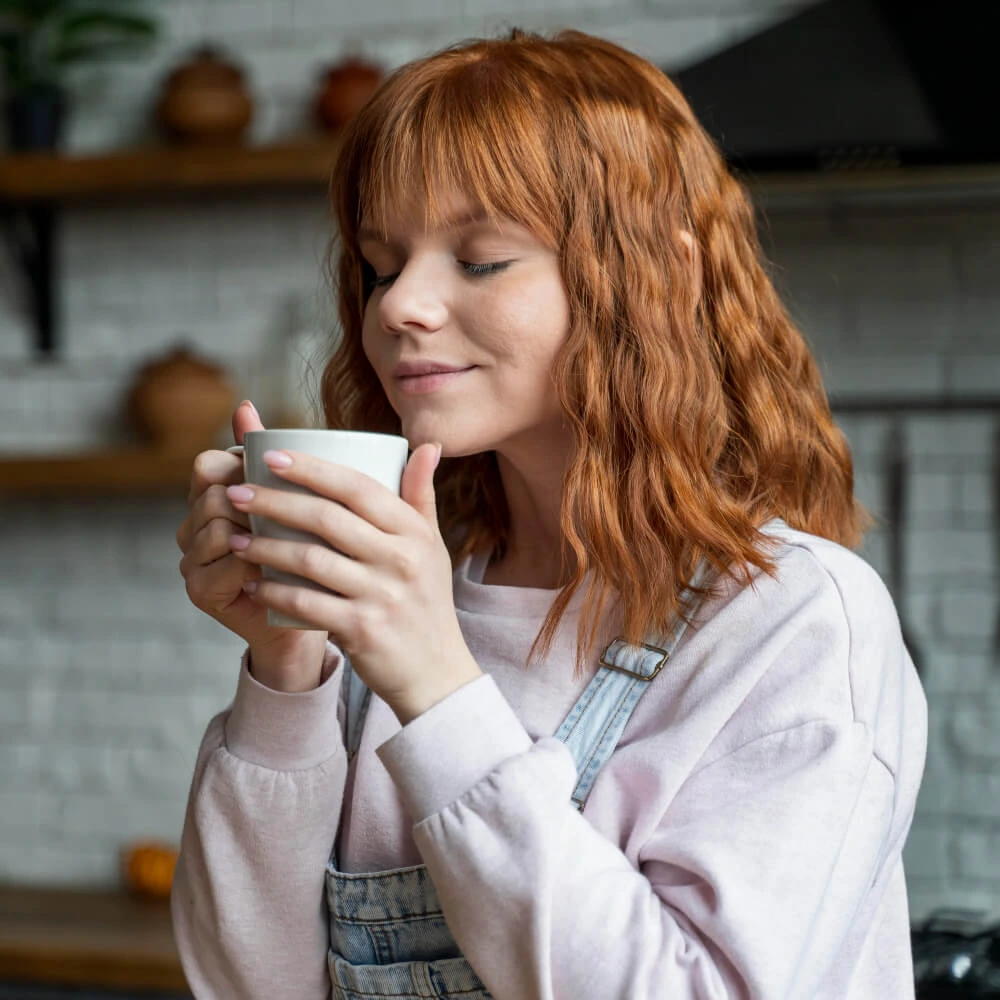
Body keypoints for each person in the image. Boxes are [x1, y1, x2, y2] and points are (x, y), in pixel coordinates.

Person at [171, 28, 927, 1000]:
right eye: (379, 263)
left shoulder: (797, 624)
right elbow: (247, 987)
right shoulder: (386, 613)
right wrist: (285, 668)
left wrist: (437, 689)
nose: (400, 303)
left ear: (660, 276)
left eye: (480, 259)